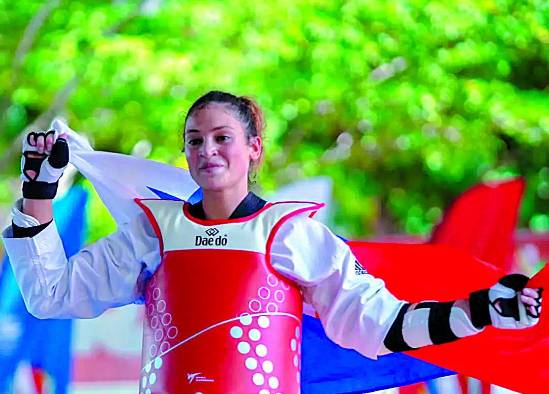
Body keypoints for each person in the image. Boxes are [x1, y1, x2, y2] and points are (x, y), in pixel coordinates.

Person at [2, 91, 542, 393]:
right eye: (195, 141)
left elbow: (381, 325)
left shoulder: (294, 236)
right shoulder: (153, 231)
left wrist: (478, 311)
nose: (207, 151)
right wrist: (38, 191)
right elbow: (52, 295)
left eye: (222, 138)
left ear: (254, 149)